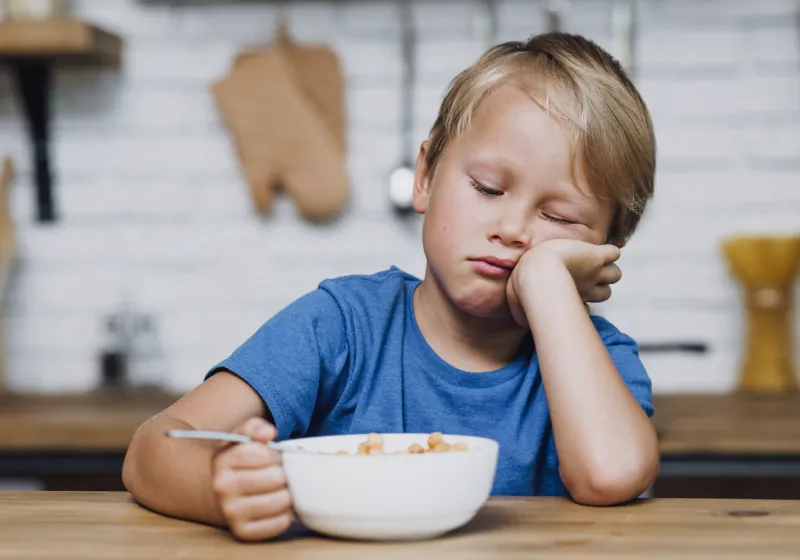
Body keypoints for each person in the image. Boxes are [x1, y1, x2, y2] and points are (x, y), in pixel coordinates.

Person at [123, 31, 659, 542]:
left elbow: (609, 475)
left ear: (606, 248)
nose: (513, 230)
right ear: (425, 177)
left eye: (560, 217)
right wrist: (222, 489)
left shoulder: (601, 360)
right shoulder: (341, 325)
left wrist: (546, 281)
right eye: (488, 187)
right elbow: (153, 449)